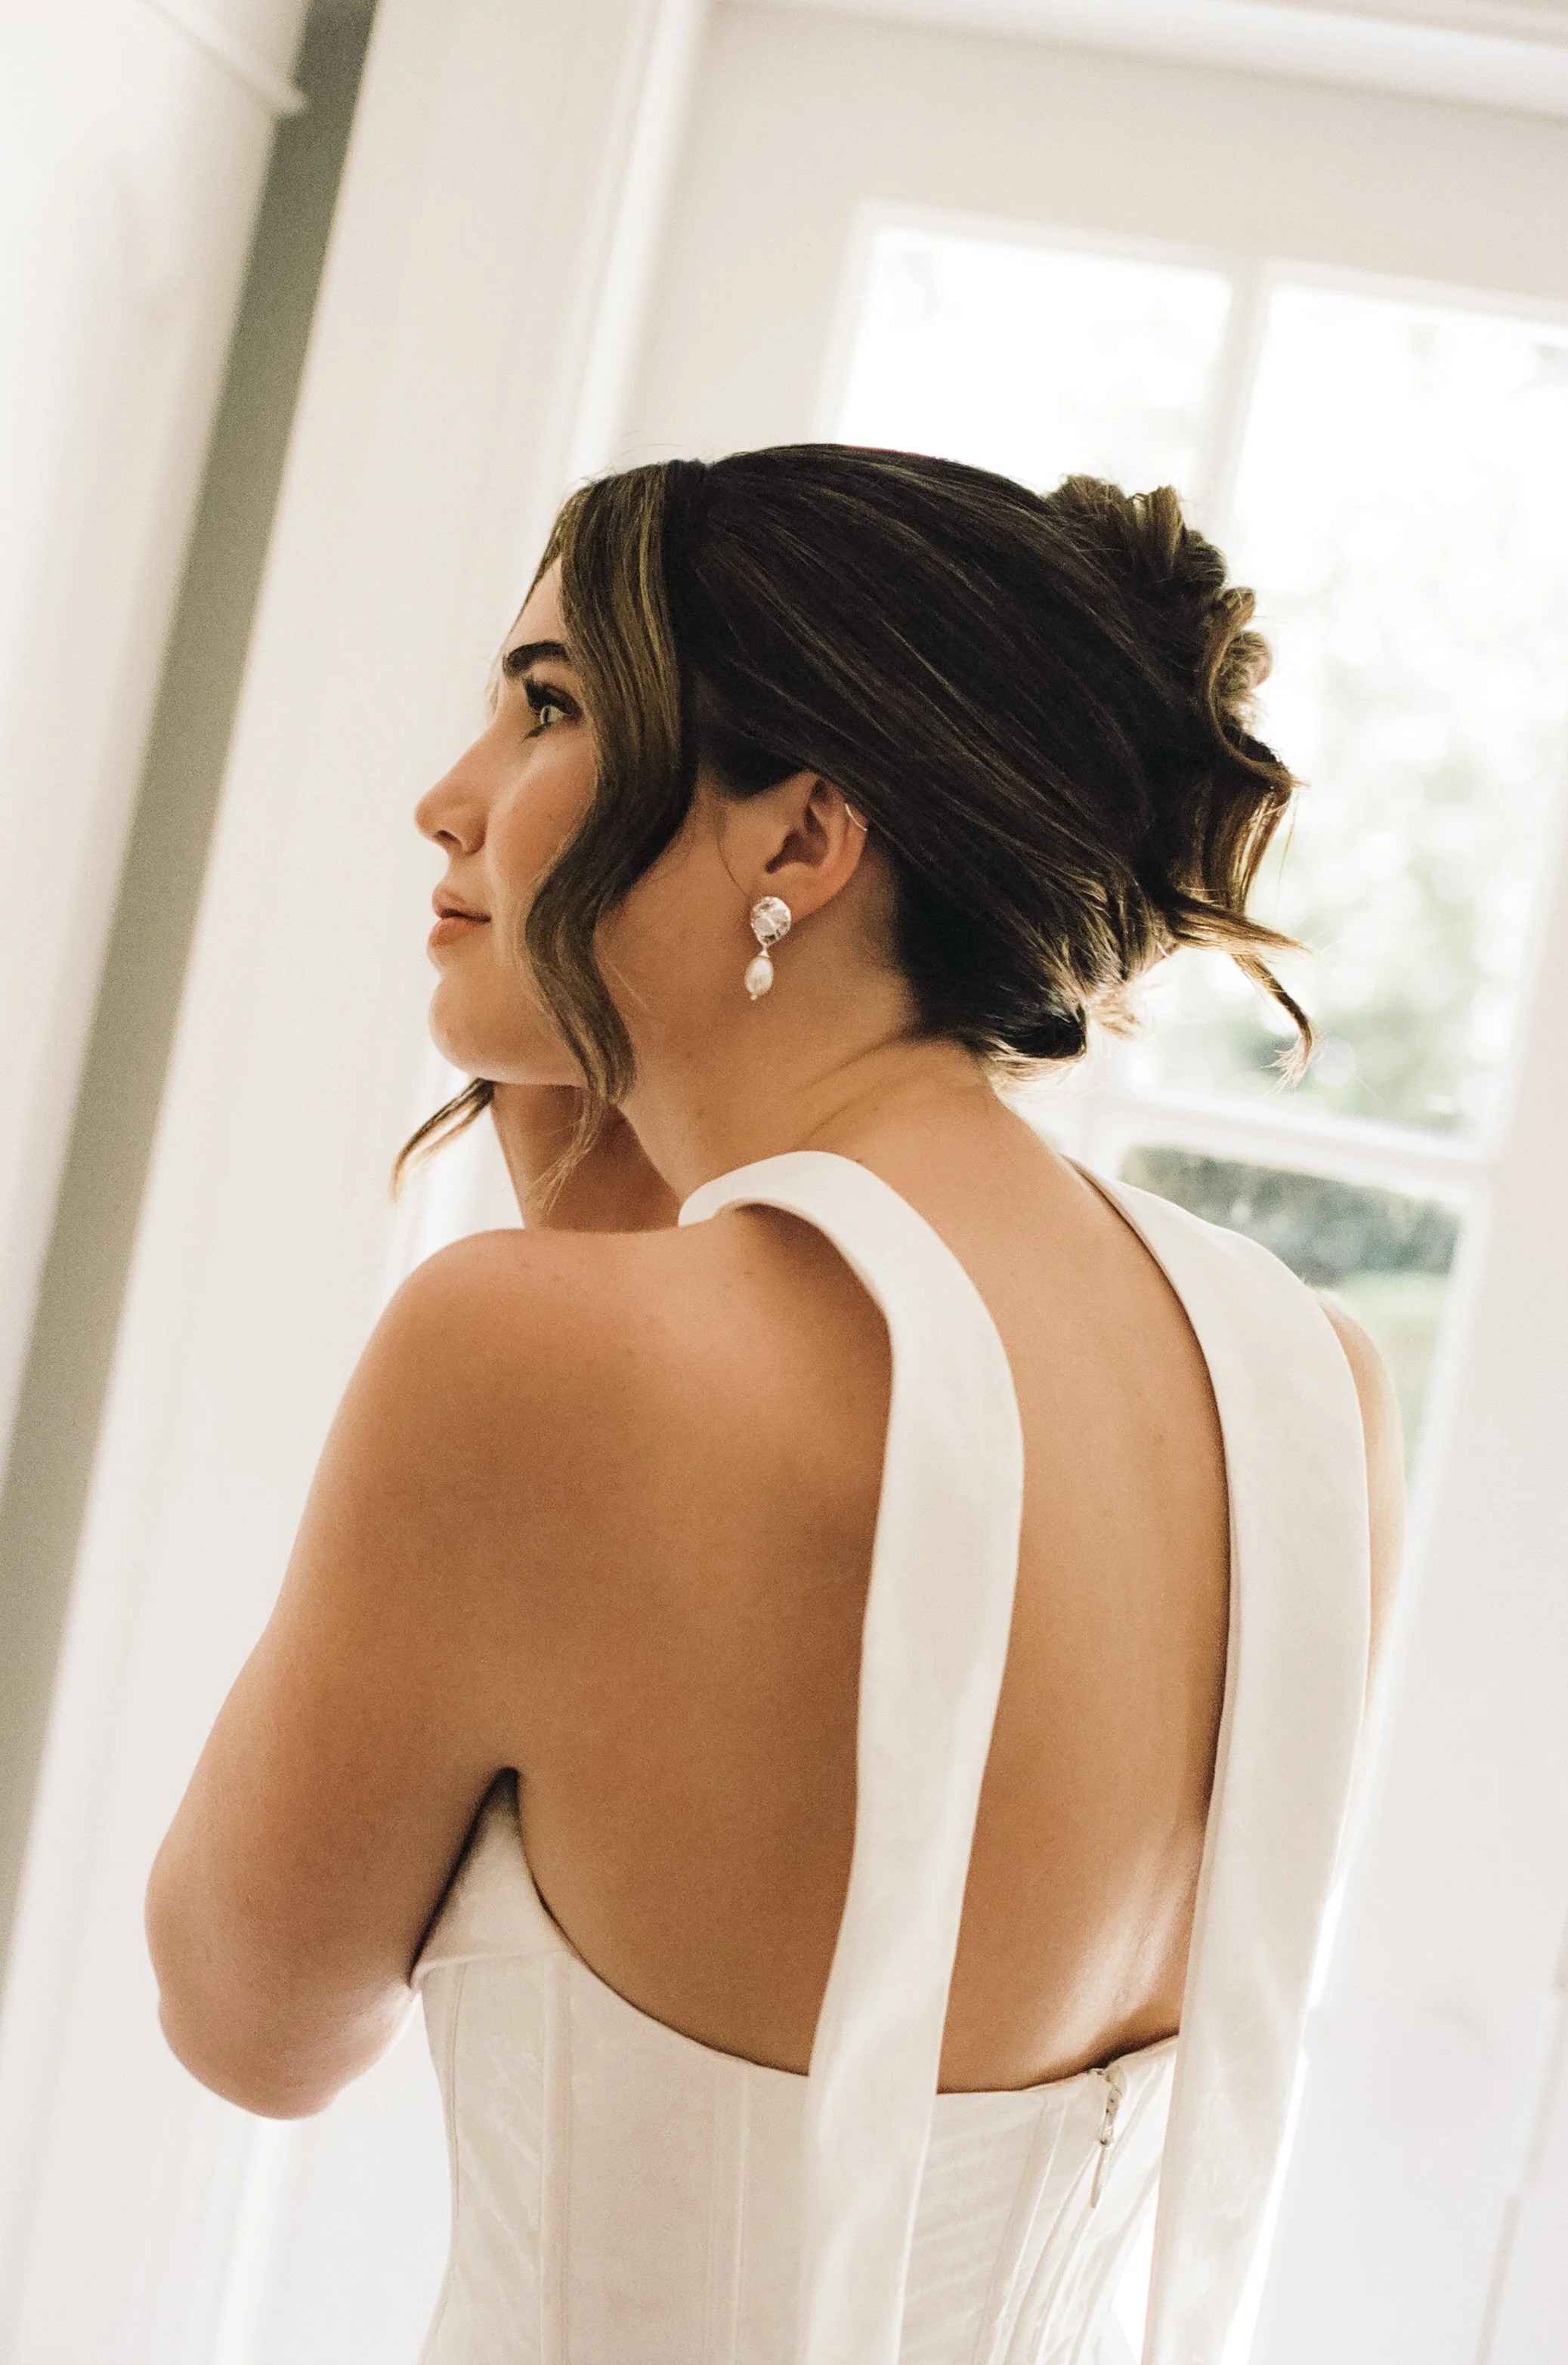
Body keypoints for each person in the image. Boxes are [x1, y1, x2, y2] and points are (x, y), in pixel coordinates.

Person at [147, 447, 1403, 2364]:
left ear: (799, 845)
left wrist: (568, 1271)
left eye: (550, 703)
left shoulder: (533, 1355)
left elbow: (251, 2024)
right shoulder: (1308, 1382)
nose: (451, 797)